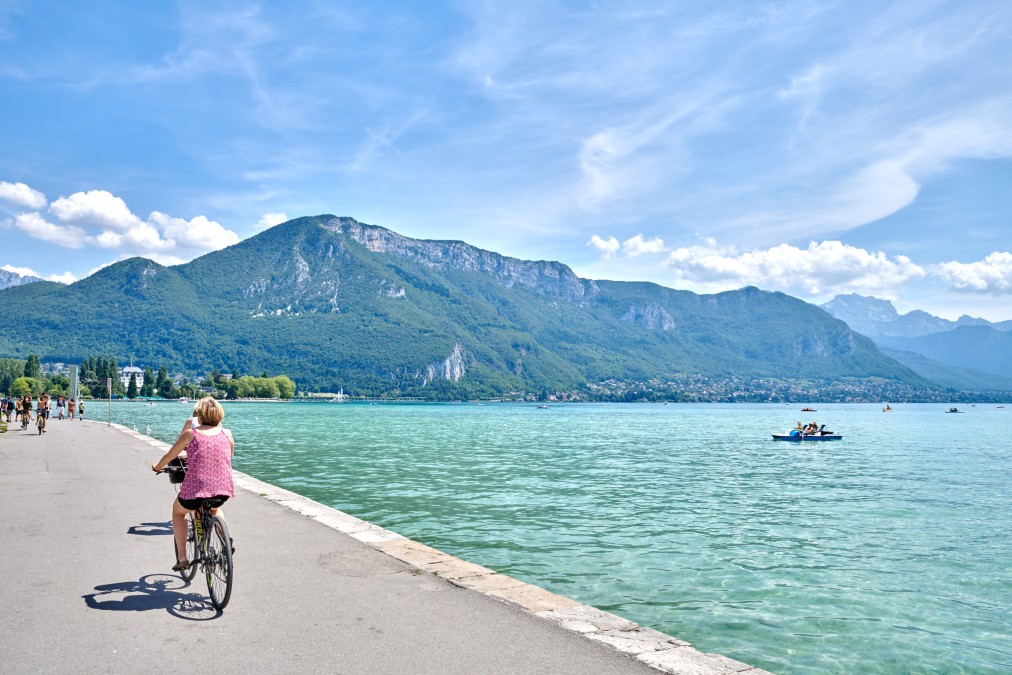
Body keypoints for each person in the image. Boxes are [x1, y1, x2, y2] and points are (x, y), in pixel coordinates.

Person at [151, 397, 235, 571]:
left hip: (196, 489)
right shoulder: (227, 433)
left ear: (200, 415)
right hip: (223, 488)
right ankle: (224, 539)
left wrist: (157, 466)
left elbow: (171, 455)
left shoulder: (191, 434)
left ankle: (182, 558)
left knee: (178, 513)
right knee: (214, 508)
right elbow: (230, 455)